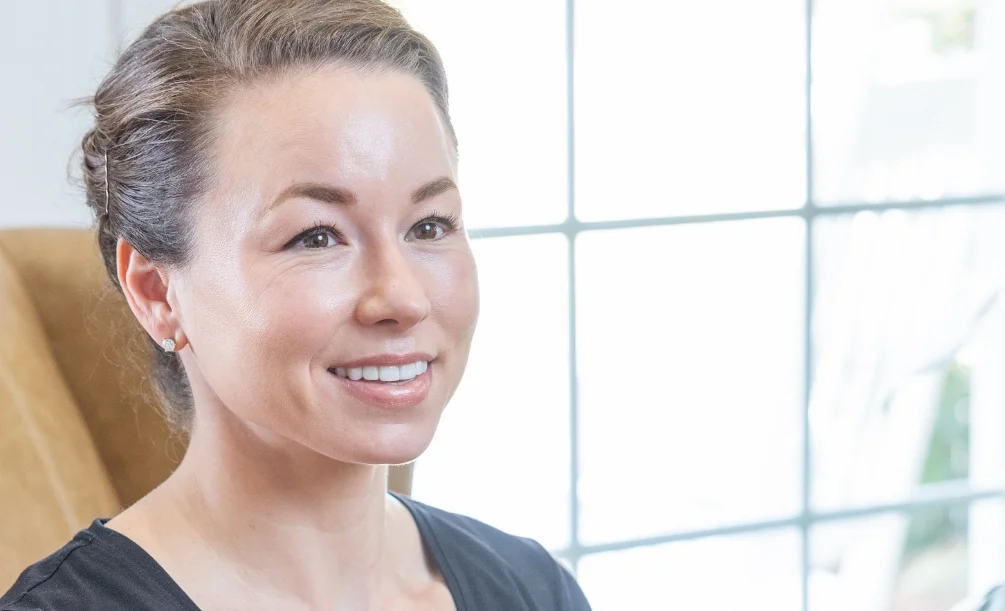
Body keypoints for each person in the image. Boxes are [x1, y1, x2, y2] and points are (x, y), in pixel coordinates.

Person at [0, 1, 591, 609]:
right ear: (156, 292)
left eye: (431, 225)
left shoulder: (532, 588)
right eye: (316, 236)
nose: (404, 298)